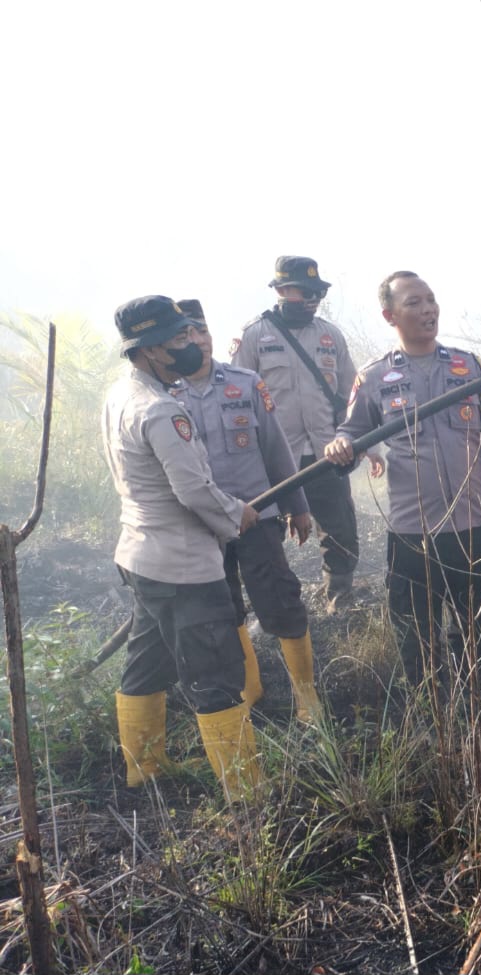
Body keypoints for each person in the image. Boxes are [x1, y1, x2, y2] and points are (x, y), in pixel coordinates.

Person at [325, 272, 481, 693]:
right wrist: (341, 445)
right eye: (414, 302)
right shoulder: (374, 377)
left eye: (431, 300)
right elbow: (351, 431)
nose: (428, 309)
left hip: (472, 530)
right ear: (390, 315)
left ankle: (478, 710)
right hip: (410, 535)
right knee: (416, 640)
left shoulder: (471, 367)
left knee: (478, 634)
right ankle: (429, 714)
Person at [103, 295, 262, 800]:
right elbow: (193, 490)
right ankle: (247, 792)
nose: (192, 345)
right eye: (178, 340)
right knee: (214, 672)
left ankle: (145, 770)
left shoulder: (119, 395)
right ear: (148, 351)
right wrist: (237, 513)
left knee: (148, 659)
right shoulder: (162, 410)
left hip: (140, 557)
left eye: (190, 334)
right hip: (182, 565)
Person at [174, 299, 323, 722]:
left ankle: (306, 697)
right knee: (223, 608)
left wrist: (298, 507)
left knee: (280, 600)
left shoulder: (246, 383)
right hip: (201, 527)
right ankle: (250, 688)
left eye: (200, 330)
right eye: (184, 335)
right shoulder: (164, 397)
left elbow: (276, 450)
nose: (197, 341)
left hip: (258, 517)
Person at [232, 256, 360, 611]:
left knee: (339, 527)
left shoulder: (330, 335)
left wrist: (359, 439)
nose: (310, 300)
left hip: (325, 452)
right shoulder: (254, 336)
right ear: (281, 290)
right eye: (302, 292)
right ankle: (274, 606)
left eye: (315, 293)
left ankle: (340, 597)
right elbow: (237, 399)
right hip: (273, 458)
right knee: (266, 533)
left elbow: (350, 393)